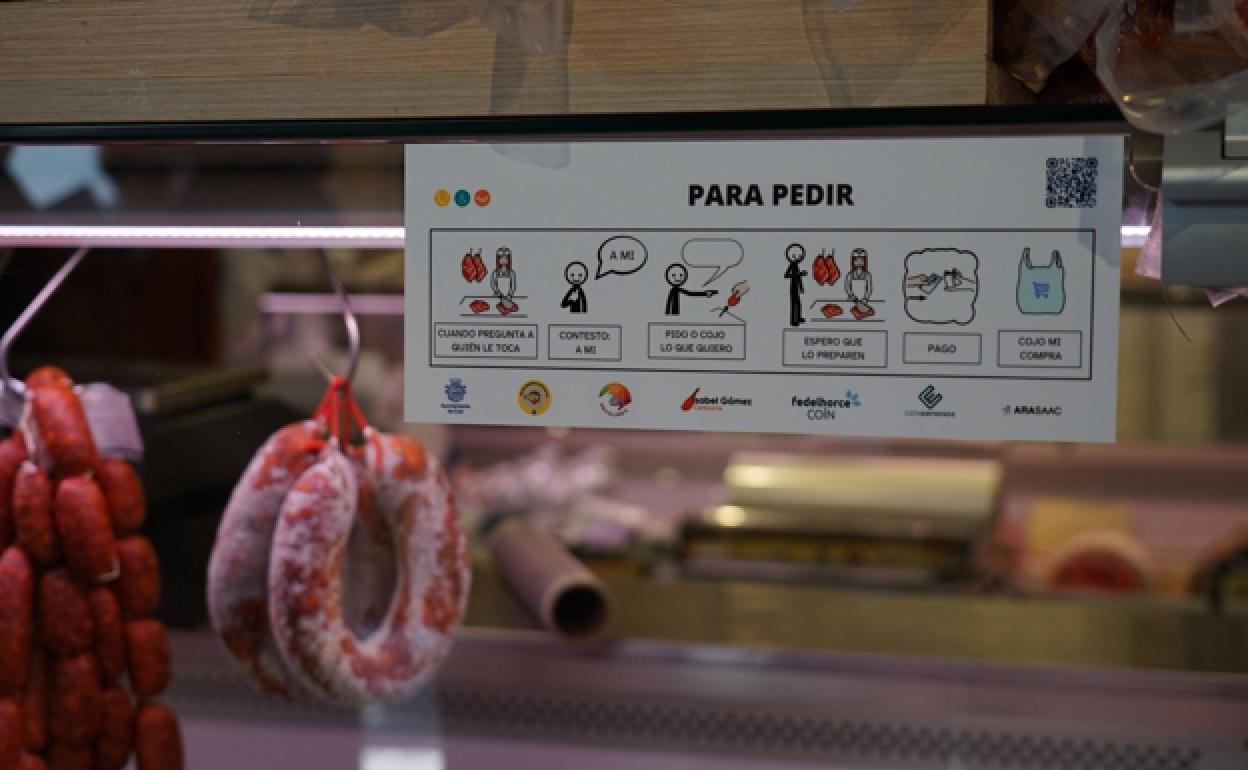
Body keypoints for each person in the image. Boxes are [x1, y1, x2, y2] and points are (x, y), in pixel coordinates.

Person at [783, 243, 807, 326]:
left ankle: (798, 318)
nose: (798, 257)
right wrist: (799, 274)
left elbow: (798, 277)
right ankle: (794, 321)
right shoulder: (792, 264)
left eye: (800, 256)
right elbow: (786, 275)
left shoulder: (796, 265)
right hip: (793, 286)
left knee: (798, 303)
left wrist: (801, 287)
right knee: (794, 303)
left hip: (796, 286)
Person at [847, 248, 874, 319]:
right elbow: (848, 288)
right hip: (852, 300)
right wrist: (853, 298)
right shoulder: (850, 275)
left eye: (861, 260)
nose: (859, 262)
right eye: (856, 260)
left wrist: (865, 298)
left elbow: (869, 289)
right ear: (853, 261)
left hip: (865, 301)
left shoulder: (868, 275)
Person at [490, 247, 518, 312]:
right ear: (498, 260)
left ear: (508, 260)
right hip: (498, 296)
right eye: (501, 258)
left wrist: (509, 295)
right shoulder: (495, 273)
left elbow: (513, 286)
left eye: (505, 259)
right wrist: (499, 295)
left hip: (510, 297)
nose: (503, 260)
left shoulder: (512, 273)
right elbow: (493, 285)